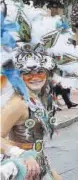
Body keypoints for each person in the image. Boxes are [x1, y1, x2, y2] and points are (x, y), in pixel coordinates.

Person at [0, 44, 61, 180]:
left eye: (40, 71)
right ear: (18, 76)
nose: (35, 77)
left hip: (39, 160)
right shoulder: (18, 104)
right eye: (27, 73)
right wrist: (21, 154)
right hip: (26, 167)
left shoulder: (34, 98)